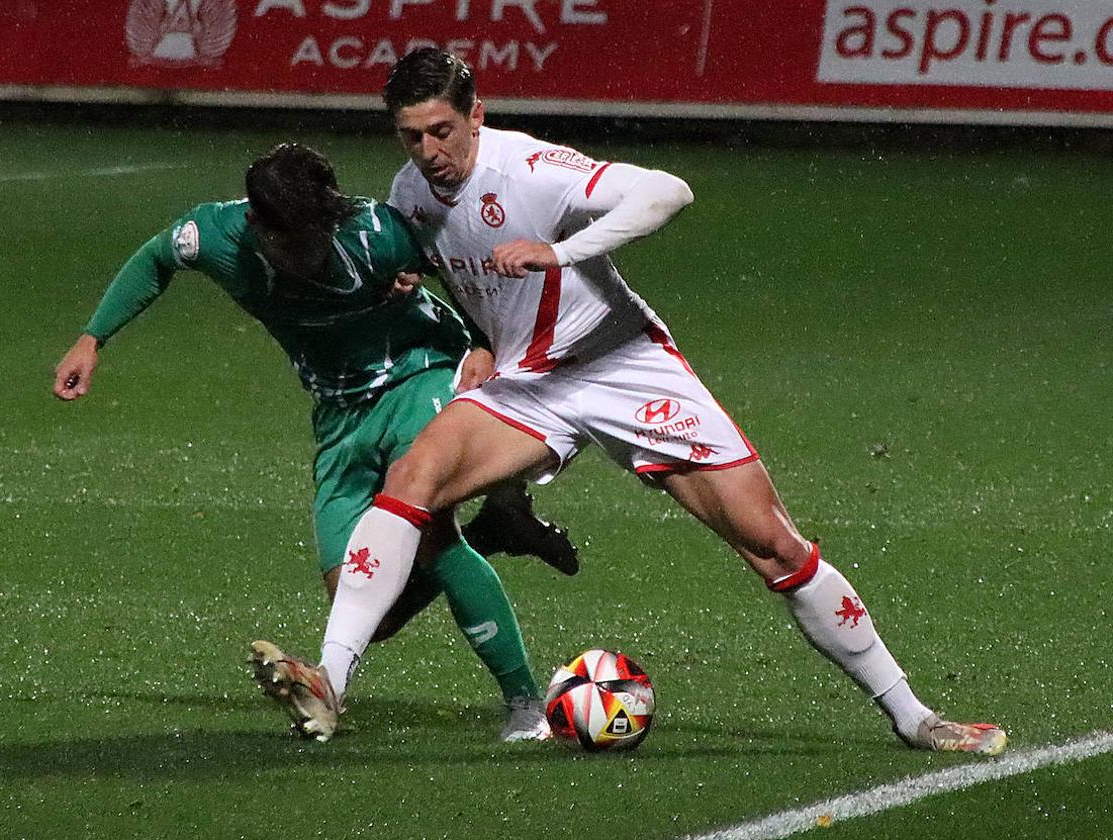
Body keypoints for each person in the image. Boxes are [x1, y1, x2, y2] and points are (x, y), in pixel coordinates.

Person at [285, 47, 1009, 754]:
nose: (429, 149)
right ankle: (331, 682)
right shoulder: (409, 194)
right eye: (411, 135)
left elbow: (668, 191)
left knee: (774, 547)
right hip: (532, 385)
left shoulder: (530, 169)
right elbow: (472, 278)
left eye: (442, 130)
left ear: (477, 114)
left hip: (621, 364)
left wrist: (561, 252)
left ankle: (913, 715)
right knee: (413, 479)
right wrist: (474, 335)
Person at [52, 142, 577, 741]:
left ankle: (525, 703)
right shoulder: (214, 236)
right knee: (365, 602)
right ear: (257, 224)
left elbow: (467, 265)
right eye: (291, 243)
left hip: (419, 373)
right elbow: (155, 258)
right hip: (338, 411)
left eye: (315, 238)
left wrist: (482, 341)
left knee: (428, 528)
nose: (306, 254)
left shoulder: (376, 232)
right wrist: (92, 339)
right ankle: (494, 530)